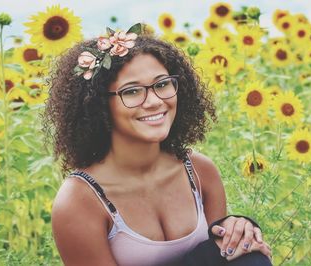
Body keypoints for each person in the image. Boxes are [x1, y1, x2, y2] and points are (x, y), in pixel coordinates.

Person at [44, 24, 272, 266]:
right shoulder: (80, 201)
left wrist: (237, 234)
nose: (154, 101)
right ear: (98, 105)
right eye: (132, 91)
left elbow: (222, 260)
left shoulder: (199, 171)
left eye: (162, 84)